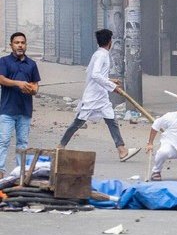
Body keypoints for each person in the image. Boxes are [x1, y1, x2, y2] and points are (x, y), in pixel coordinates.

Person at [59, 29, 139, 161]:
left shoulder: (99, 54)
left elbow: (94, 74)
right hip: (92, 96)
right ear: (110, 42)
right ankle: (60, 146)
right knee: (78, 122)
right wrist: (113, 87)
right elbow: (95, 75)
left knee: (111, 121)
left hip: (101, 96)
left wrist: (110, 81)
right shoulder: (102, 55)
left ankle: (122, 150)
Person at [0, 32, 41, 177]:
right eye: (17, 42)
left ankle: (20, 175)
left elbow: (36, 85)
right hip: (7, 110)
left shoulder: (31, 64)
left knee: (22, 144)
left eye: (22, 43)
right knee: (3, 142)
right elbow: (2, 79)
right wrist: (18, 83)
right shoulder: (4, 61)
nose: (20, 45)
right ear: (11, 45)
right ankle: (0, 173)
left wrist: (32, 90)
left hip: (25, 111)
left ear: (26, 45)